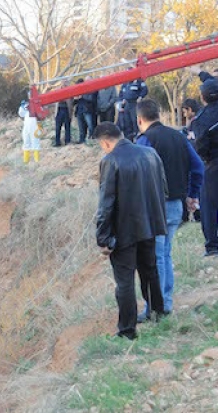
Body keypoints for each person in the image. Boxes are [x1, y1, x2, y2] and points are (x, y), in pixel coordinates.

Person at [94, 122, 167, 340]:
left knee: (125, 281)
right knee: (149, 270)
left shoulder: (110, 160)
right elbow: (163, 187)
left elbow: (106, 203)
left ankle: (127, 330)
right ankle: (157, 313)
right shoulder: (150, 154)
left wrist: (103, 238)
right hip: (150, 224)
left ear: (106, 142)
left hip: (123, 230)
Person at [135, 99, 204, 320]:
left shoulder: (145, 140)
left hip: (154, 206)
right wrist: (192, 194)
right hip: (176, 204)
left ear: (139, 120)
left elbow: (138, 175)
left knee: (155, 257)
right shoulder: (179, 136)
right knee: (165, 254)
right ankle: (165, 302)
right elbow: (198, 167)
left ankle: (157, 308)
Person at [190, 76, 218, 256]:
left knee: (209, 204)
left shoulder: (200, 119)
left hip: (213, 164)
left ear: (203, 97)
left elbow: (200, 145)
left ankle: (213, 245)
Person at [74, 78, 97, 144]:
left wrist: (82, 96)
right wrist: (75, 99)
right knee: (81, 126)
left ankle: (91, 138)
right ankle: (82, 139)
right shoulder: (78, 91)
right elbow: (74, 102)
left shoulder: (90, 89)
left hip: (87, 110)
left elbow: (91, 99)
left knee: (90, 125)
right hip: (79, 111)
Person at [54, 80, 74, 147]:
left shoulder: (70, 90)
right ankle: (57, 142)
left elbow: (72, 100)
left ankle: (67, 141)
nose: (64, 84)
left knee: (67, 127)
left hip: (66, 110)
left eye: (66, 83)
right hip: (59, 110)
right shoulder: (57, 90)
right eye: (63, 83)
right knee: (57, 127)